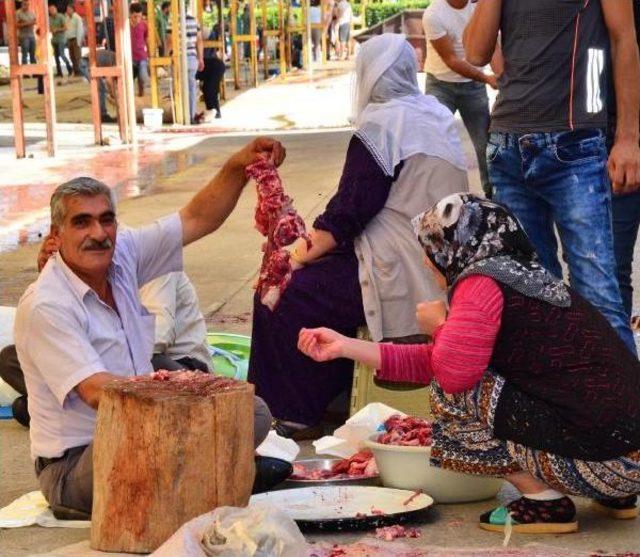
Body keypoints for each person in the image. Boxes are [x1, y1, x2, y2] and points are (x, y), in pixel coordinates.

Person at [299, 193, 640, 534]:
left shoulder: (480, 283)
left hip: (607, 466)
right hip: (628, 464)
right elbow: (435, 360)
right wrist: (345, 347)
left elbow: (452, 374)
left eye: (428, 249)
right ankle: (616, 498)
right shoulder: (521, 274)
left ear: (451, 245)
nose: (427, 261)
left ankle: (544, 503)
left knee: (451, 393)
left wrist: (437, 327)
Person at [13, 138, 286, 518]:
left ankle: (209, 474)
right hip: (78, 465)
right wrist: (181, 397)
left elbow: (196, 219)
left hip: (142, 423)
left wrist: (239, 166)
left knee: (250, 411)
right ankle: (219, 475)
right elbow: (96, 392)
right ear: (56, 235)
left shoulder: (122, 253)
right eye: (81, 222)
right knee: (158, 439)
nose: (98, 232)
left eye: (106, 219)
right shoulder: (47, 303)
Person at [248, 34, 469, 438]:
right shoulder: (434, 112)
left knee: (283, 291)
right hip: (441, 261)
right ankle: (333, 394)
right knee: (317, 280)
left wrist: (293, 257)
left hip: (399, 264)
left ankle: (290, 412)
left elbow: (347, 213)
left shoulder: (381, 124)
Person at [464, 0, 640, 355]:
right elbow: (475, 51)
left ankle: (626, 407)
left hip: (574, 144)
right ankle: (563, 404)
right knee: (533, 299)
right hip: (507, 146)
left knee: (598, 299)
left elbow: (624, 40)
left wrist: (628, 138)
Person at [422, 0, 500, 199]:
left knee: (485, 143)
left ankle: (493, 196)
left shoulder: (479, 7)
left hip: (473, 88)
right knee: (435, 143)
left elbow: (492, 45)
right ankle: (437, 199)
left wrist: (503, 76)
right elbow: (451, 60)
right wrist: (486, 78)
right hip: (440, 85)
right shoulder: (434, 14)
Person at [611, 1, 640, 325]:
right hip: (615, 145)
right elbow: (594, 65)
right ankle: (614, 368)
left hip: (622, 141)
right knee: (611, 265)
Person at [167, 3, 204, 124]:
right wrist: (201, 58)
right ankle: (191, 115)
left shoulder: (172, 22)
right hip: (192, 58)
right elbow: (199, 41)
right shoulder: (194, 21)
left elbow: (169, 41)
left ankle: (181, 116)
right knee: (192, 87)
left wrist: (169, 56)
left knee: (179, 88)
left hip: (179, 58)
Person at [196, 46, 225, 122]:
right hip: (215, 66)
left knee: (209, 90)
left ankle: (215, 112)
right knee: (207, 89)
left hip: (215, 67)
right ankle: (213, 112)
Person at [129, 2, 149, 97]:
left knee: (143, 77)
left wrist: (150, 53)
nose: (137, 19)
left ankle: (141, 94)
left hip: (142, 56)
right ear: (130, 14)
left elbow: (147, 39)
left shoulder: (144, 25)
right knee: (129, 80)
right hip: (129, 57)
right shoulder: (125, 26)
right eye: (135, 17)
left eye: (139, 17)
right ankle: (130, 98)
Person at [48, 2, 72, 78]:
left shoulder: (61, 17)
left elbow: (65, 27)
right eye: (50, 10)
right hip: (54, 40)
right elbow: (49, 27)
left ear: (56, 9)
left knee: (62, 54)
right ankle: (59, 72)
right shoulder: (49, 18)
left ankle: (70, 69)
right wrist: (51, 30)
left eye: (52, 9)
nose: (51, 11)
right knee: (56, 57)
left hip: (61, 39)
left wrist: (57, 30)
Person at [65, 3, 84, 77]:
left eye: (69, 9)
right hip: (69, 39)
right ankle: (76, 71)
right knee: (71, 56)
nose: (67, 10)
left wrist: (79, 41)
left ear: (73, 10)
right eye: (67, 9)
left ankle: (81, 71)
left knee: (77, 56)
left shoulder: (77, 18)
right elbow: (67, 29)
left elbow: (80, 30)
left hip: (76, 38)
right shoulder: (66, 18)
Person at [16, 0, 37, 66]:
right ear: (22, 5)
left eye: (28, 4)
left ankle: (34, 71)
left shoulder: (32, 12)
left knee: (33, 53)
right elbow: (17, 25)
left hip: (32, 35)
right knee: (24, 54)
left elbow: (35, 21)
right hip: (23, 36)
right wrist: (28, 23)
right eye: (25, 4)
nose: (27, 6)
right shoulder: (18, 13)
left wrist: (24, 22)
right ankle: (25, 73)